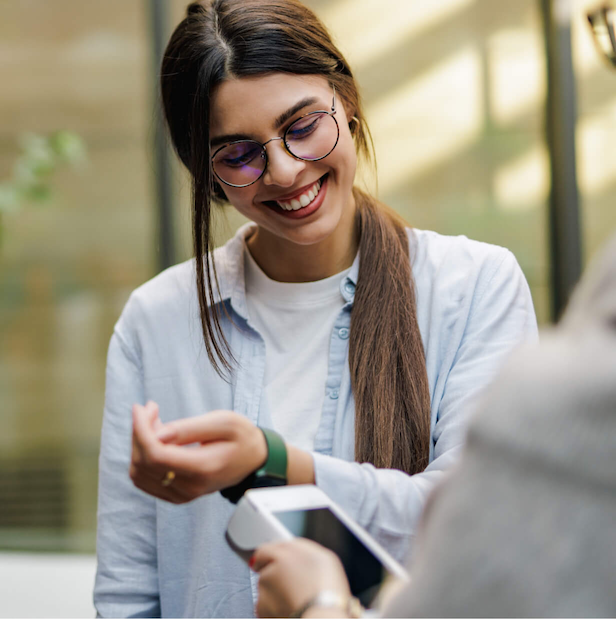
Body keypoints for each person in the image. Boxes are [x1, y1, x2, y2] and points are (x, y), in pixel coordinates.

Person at [93, 0, 539, 616]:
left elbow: (476, 524)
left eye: (303, 126)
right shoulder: (158, 321)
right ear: (209, 174)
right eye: (239, 155)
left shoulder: (474, 288)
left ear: (347, 102)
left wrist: (272, 464)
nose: (283, 170)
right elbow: (128, 593)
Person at [251, 236, 616, 618]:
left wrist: (318, 604)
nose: (286, 173)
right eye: (238, 169)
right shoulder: (183, 305)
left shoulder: (479, 286)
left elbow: (471, 562)